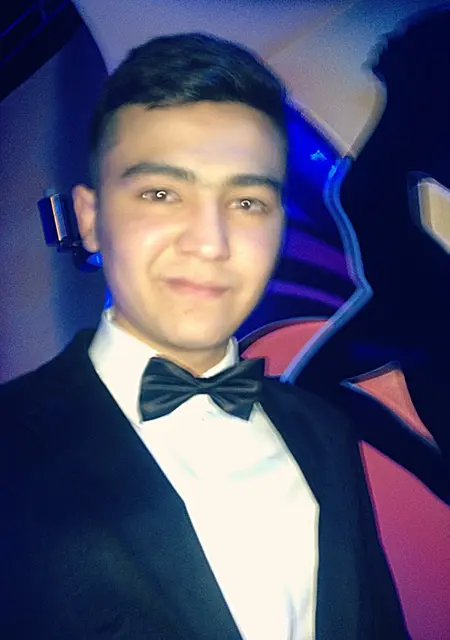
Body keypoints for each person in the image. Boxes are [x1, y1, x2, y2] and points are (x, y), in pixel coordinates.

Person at [0, 33, 409, 639]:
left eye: (247, 202)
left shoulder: (324, 428)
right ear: (90, 220)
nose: (211, 243)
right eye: (161, 193)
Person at [290, 6, 450, 505]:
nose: (389, 39)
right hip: (405, 303)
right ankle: (437, 477)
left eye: (403, 37)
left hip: (419, 303)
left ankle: (438, 478)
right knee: (306, 391)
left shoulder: (421, 130)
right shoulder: (402, 126)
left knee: (306, 390)